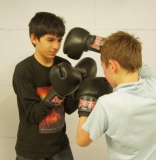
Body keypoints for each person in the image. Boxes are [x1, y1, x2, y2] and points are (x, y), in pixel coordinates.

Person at [12, 12, 97, 160]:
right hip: (31, 151)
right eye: (50, 40)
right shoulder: (24, 70)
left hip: (60, 146)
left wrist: (81, 88)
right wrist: (59, 91)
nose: (56, 46)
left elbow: (69, 108)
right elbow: (33, 114)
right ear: (34, 38)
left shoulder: (64, 65)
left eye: (59, 40)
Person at [72, 30, 156, 160]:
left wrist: (86, 99)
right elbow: (136, 62)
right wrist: (97, 42)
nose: (104, 72)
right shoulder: (155, 85)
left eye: (103, 67)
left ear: (112, 66)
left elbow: (81, 140)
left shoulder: (107, 104)